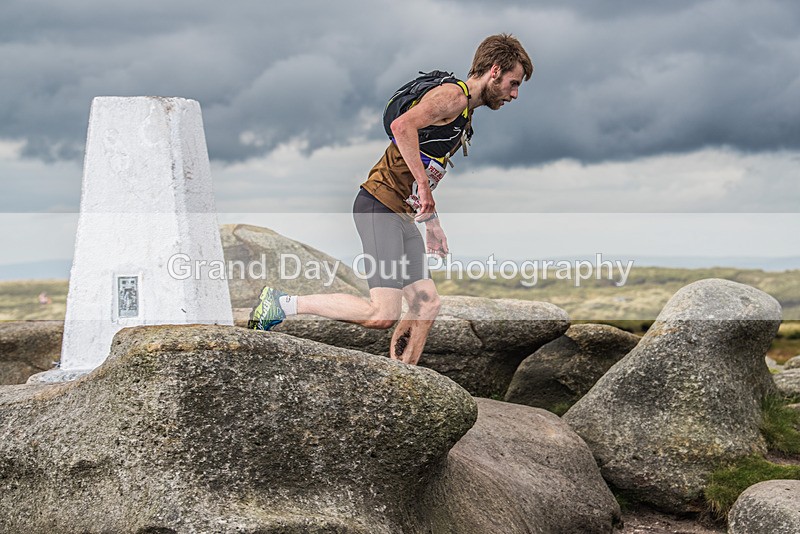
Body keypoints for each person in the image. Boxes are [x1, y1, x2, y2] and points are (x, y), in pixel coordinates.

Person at [250, 34, 533, 365]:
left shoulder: (465, 113)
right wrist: (425, 192)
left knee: (426, 303)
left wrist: (432, 223)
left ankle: (404, 378)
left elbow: (425, 172)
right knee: (382, 313)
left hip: (400, 212)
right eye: (513, 83)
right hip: (379, 204)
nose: (514, 94)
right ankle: (281, 304)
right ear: (495, 71)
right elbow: (402, 127)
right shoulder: (453, 96)